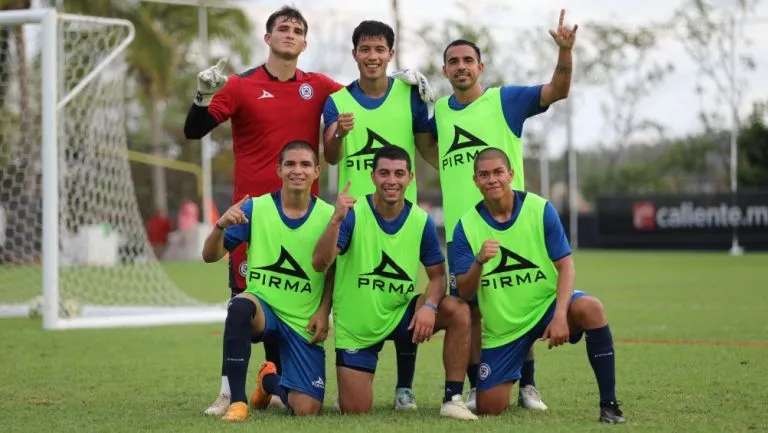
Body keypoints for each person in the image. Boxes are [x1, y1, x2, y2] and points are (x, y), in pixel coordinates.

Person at [183, 5, 434, 415]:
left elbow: (368, 89)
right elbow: (194, 130)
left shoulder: (320, 87)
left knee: (299, 292)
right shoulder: (241, 85)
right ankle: (230, 392)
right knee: (246, 300)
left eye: (298, 30)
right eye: (283, 28)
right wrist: (203, 95)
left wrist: (409, 86)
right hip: (255, 214)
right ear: (268, 38)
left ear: (305, 42)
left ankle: (275, 379)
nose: (290, 34)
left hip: (307, 217)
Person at [431, 9, 579, 411]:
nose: (461, 67)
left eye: (468, 60)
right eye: (453, 62)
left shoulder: (505, 100)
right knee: (474, 312)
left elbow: (557, 90)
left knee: (517, 305)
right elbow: (429, 149)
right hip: (464, 231)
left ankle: (528, 385)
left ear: (480, 66)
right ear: (444, 70)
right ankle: (479, 383)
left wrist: (565, 53)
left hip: (511, 226)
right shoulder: (440, 112)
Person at [453, 148, 625, 423]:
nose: (492, 179)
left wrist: (559, 316)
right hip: (504, 329)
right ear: (475, 181)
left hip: (545, 307)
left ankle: (610, 404)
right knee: (489, 406)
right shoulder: (466, 226)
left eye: (498, 172)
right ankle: (519, 378)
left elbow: (566, 265)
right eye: (484, 175)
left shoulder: (539, 209)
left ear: (511, 174)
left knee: (591, 308)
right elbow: (464, 292)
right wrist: (479, 261)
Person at [321, 20, 438, 410]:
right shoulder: (338, 100)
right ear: (355, 54)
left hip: (403, 215)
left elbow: (428, 151)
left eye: (379, 49)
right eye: (365, 49)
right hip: (356, 213)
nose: (372, 57)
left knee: (402, 291)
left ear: (391, 53)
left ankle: (405, 386)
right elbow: (331, 156)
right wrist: (338, 131)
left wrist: (436, 111)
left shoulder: (410, 95)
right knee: (354, 289)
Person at [312, 146, 477, 421]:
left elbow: (437, 275)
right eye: (384, 173)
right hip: (358, 326)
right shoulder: (354, 213)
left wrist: (431, 306)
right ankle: (369, 385)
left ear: (410, 177)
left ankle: (452, 398)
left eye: (399, 173)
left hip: (402, 313)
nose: (392, 180)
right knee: (355, 409)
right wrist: (336, 220)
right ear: (373, 175)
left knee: (458, 309)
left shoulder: (420, 220)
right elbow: (322, 264)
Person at [201, 141, 335, 421]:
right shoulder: (255, 208)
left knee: (306, 409)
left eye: (305, 164)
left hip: (302, 319)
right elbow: (210, 255)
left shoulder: (329, 216)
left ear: (317, 171)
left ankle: (268, 382)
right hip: (264, 311)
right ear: (279, 170)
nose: (297, 171)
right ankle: (238, 402)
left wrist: (324, 309)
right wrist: (221, 225)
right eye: (290, 164)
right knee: (239, 305)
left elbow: (334, 269)